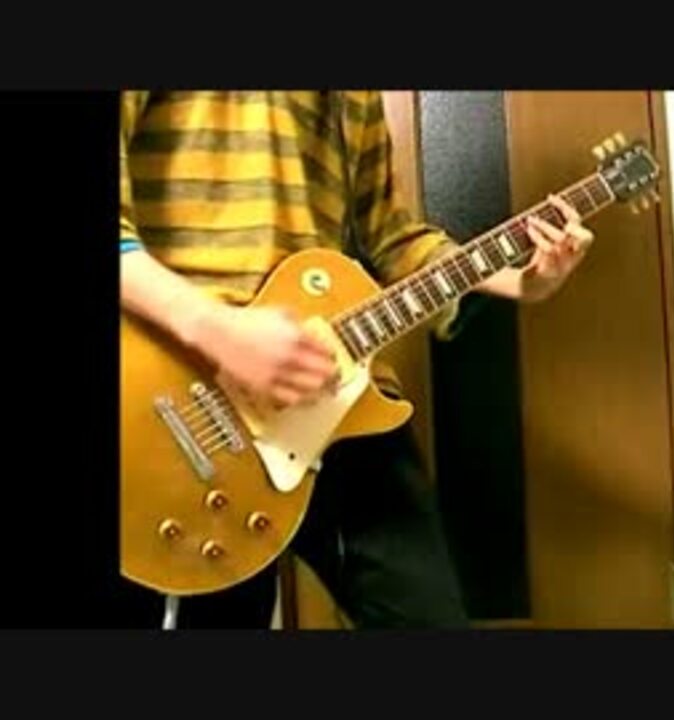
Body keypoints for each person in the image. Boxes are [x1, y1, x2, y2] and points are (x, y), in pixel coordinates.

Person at [120, 90, 596, 629]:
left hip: (334, 394)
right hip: (180, 401)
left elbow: (390, 236)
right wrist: (219, 331)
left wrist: (517, 281)